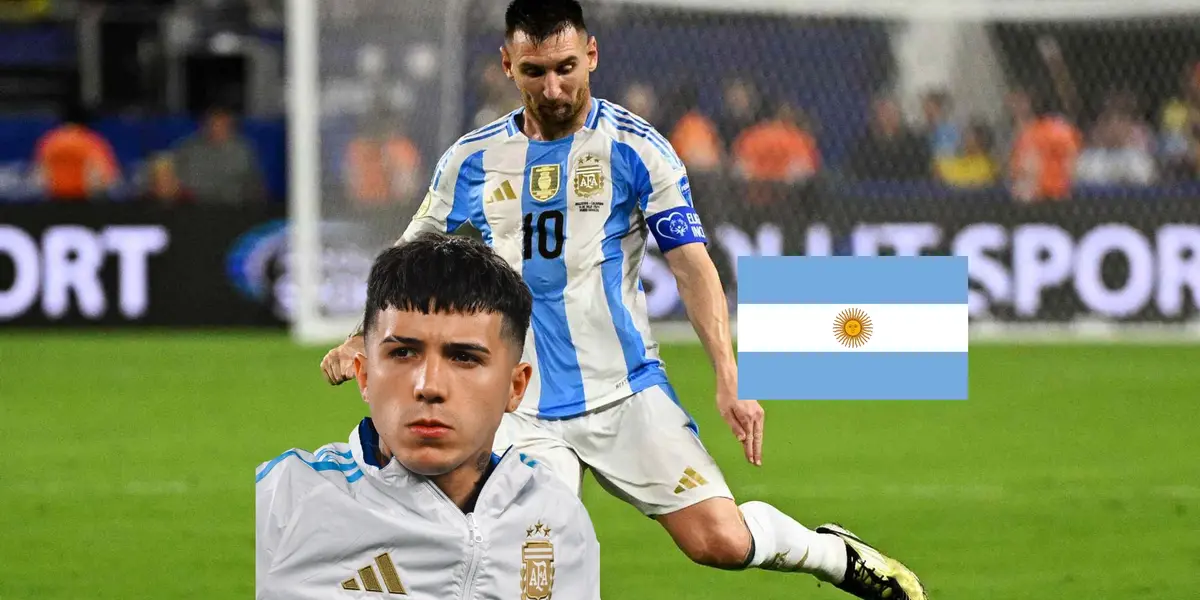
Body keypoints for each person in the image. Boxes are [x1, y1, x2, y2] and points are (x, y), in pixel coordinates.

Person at [321, 1, 926, 598]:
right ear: (508, 65)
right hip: (519, 405)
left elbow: (692, 266)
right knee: (533, 562)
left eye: (565, 67)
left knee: (719, 542)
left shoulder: (638, 150)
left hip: (625, 390)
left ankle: (834, 555)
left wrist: (728, 374)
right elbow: (409, 257)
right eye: (535, 72)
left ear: (592, 55)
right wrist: (359, 335)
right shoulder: (471, 160)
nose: (553, 87)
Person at [259, 233, 601, 599]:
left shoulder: (557, 520)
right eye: (404, 353)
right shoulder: (283, 500)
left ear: (515, 388)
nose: (429, 385)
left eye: (464, 357)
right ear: (365, 376)